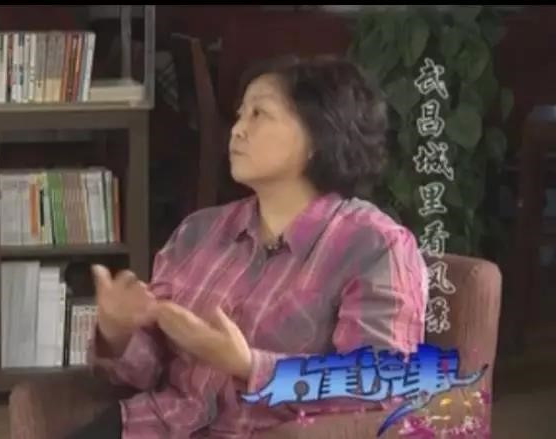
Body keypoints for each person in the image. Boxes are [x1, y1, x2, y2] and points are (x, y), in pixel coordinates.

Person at [69, 56, 429, 438]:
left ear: (319, 136)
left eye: (260, 114)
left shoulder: (373, 246)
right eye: (240, 114)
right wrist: (118, 333)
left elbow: (381, 384)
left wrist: (248, 365)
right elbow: (149, 371)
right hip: (151, 427)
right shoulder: (199, 231)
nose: (237, 130)